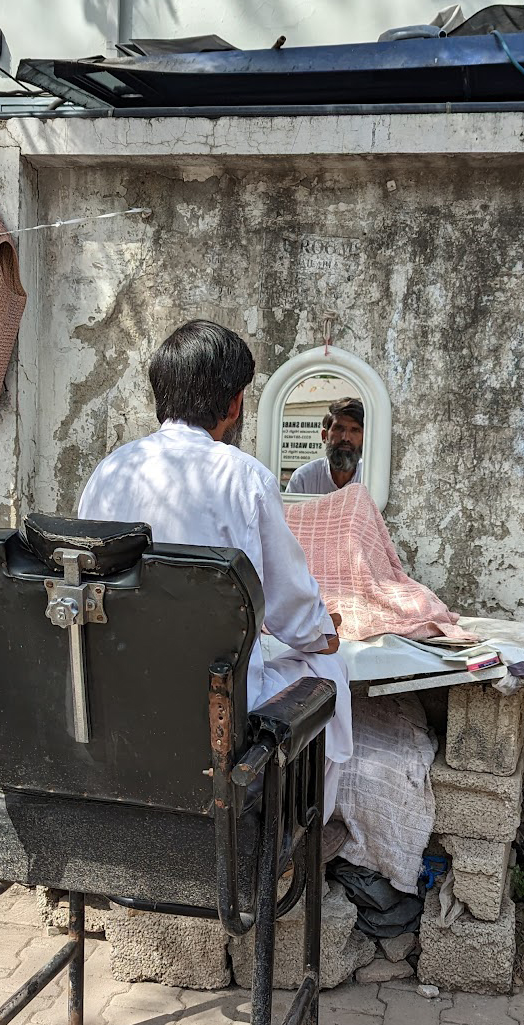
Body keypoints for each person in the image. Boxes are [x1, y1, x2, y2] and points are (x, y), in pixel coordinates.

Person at [77, 319, 353, 818]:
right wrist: (320, 632)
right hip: (215, 708)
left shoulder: (110, 470)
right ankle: (289, 829)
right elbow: (289, 608)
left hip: (121, 694)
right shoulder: (244, 478)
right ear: (234, 404)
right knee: (329, 669)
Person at [286, 396, 364, 494]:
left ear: (365, 438)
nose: (346, 438)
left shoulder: (372, 478)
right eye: (339, 428)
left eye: (354, 430)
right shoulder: (303, 478)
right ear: (324, 435)